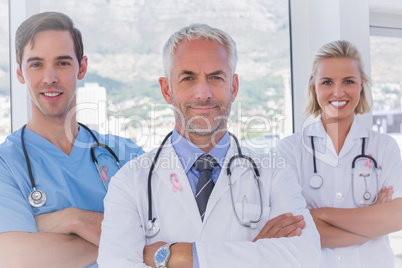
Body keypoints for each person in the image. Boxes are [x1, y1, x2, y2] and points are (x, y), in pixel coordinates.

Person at [97, 23, 321, 267]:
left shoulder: (274, 173)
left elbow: (306, 258)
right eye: (188, 78)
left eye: (215, 77)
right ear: (166, 90)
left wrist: (180, 256)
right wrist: (256, 251)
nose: (203, 93)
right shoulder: (130, 182)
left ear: (233, 87)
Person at [0, 12, 144, 267]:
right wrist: (122, 240)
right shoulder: (6, 165)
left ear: (83, 67)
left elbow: (162, 237)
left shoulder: (126, 154)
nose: (50, 78)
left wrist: (71, 219)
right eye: (36, 64)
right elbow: (15, 257)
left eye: (63, 63)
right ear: (20, 73)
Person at [276, 40, 402, 268]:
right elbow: (292, 228)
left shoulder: (384, 147)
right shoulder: (290, 149)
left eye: (348, 81)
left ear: (361, 85)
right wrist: (374, 220)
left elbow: (397, 217)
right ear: (314, 87)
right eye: (327, 82)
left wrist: (320, 214)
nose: (338, 91)